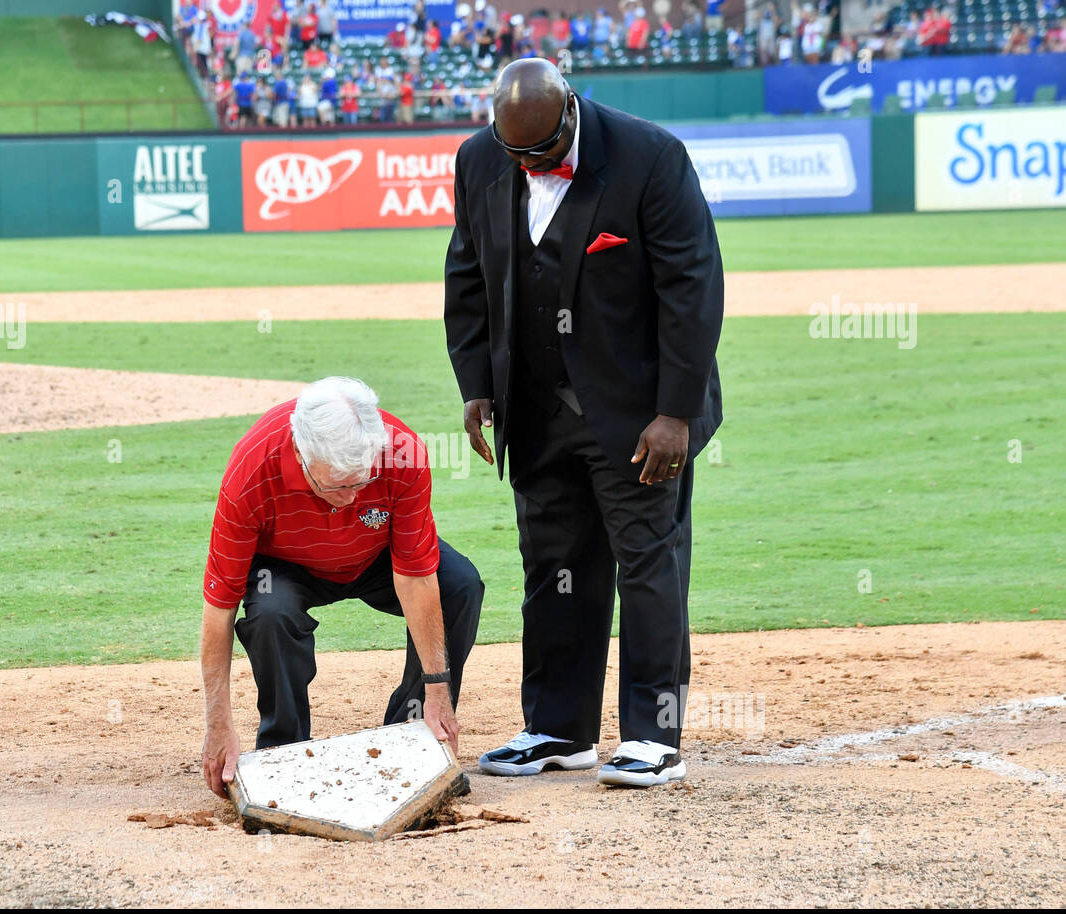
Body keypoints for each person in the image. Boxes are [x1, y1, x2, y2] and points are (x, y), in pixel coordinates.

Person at [443, 59, 723, 788]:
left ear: (571, 107)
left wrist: (675, 413)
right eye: (518, 155)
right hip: (535, 413)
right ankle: (559, 728)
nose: (530, 165)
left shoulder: (649, 156)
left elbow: (692, 286)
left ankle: (652, 735)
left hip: (638, 414)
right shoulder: (479, 160)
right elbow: (467, 272)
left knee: (648, 564)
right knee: (554, 569)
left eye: (542, 150)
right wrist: (476, 384)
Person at [199, 378, 484, 798]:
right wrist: (217, 723)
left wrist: (438, 690)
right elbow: (218, 609)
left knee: (459, 585)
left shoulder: (401, 452)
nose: (351, 499)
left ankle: (413, 734)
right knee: (272, 613)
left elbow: (416, 575)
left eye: (361, 482)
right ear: (301, 453)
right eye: (335, 485)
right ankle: (284, 752)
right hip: (286, 566)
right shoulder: (252, 470)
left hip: (376, 555)